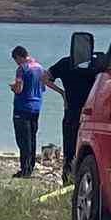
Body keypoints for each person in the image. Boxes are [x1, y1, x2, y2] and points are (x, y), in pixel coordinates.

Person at [43, 49, 104, 184]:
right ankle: (83, 178)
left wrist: (62, 92)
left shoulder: (66, 63)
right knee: (87, 148)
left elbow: (45, 77)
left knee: (69, 148)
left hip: (71, 111)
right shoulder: (93, 66)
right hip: (89, 111)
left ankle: (68, 178)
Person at [9, 45, 44, 178]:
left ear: (18, 56)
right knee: (32, 137)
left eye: (16, 60)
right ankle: (30, 167)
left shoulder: (22, 69)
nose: (16, 63)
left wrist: (13, 88)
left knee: (23, 140)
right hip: (36, 106)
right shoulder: (39, 68)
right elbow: (43, 87)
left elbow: (19, 88)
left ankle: (24, 169)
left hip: (22, 107)